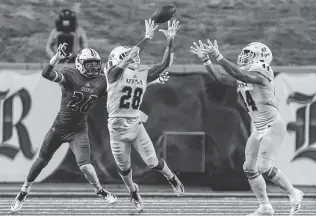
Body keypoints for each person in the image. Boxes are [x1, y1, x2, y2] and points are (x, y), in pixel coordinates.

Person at [190, 40, 303, 216]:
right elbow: (220, 78)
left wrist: (219, 56)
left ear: (262, 58)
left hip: (273, 125)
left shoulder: (263, 71)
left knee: (264, 167)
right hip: (258, 129)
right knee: (249, 168)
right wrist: (207, 60)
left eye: (250, 54)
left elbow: (240, 75)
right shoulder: (245, 73)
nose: (245, 57)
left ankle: (293, 193)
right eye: (246, 53)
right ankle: (265, 206)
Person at [11, 44, 117, 213]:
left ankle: (101, 192)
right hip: (59, 128)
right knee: (41, 161)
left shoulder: (101, 81)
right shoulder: (71, 75)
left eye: (96, 64)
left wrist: (151, 80)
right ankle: (22, 193)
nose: (94, 67)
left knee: (84, 165)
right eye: (90, 64)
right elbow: (46, 73)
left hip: (79, 129)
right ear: (80, 64)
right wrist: (56, 59)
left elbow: (121, 91)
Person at [104, 19, 184, 212]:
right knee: (124, 170)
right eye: (126, 58)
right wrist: (147, 38)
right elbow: (132, 54)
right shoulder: (112, 73)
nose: (132, 60)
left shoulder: (142, 73)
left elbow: (164, 64)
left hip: (136, 123)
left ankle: (172, 177)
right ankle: (133, 191)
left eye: (131, 57)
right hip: (116, 129)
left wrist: (170, 40)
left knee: (152, 162)